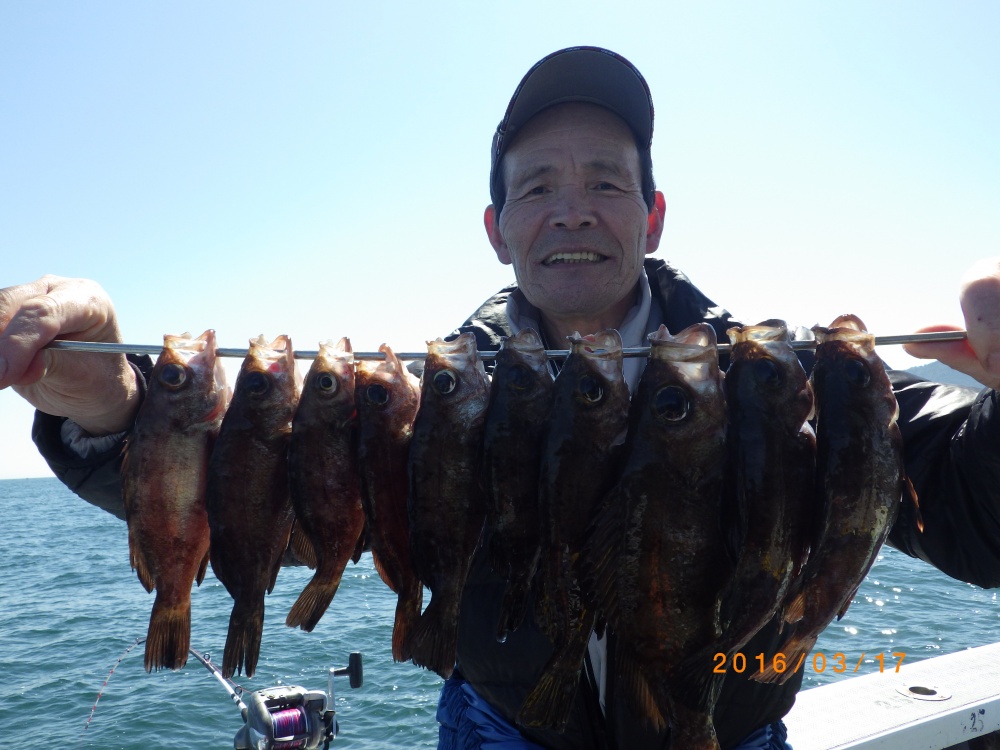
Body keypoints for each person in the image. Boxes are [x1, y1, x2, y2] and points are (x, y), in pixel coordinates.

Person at [1, 46, 999, 750]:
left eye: (605, 182)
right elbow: (262, 496)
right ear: (497, 228)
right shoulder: (428, 405)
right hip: (497, 725)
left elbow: (967, 503)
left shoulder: (788, 387)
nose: (572, 210)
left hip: (729, 725)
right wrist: (110, 407)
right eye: (538, 187)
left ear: (651, 217)